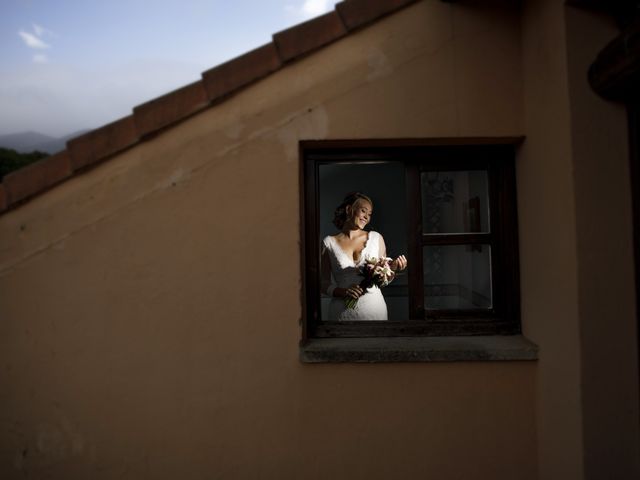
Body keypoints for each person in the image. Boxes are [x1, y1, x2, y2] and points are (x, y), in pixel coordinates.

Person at [321, 192, 407, 321]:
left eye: (370, 214)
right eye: (363, 211)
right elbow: (323, 283)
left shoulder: (376, 238)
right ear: (349, 209)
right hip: (341, 313)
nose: (366, 217)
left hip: (374, 310)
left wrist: (393, 268)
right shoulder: (329, 242)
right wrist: (344, 292)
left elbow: (383, 281)